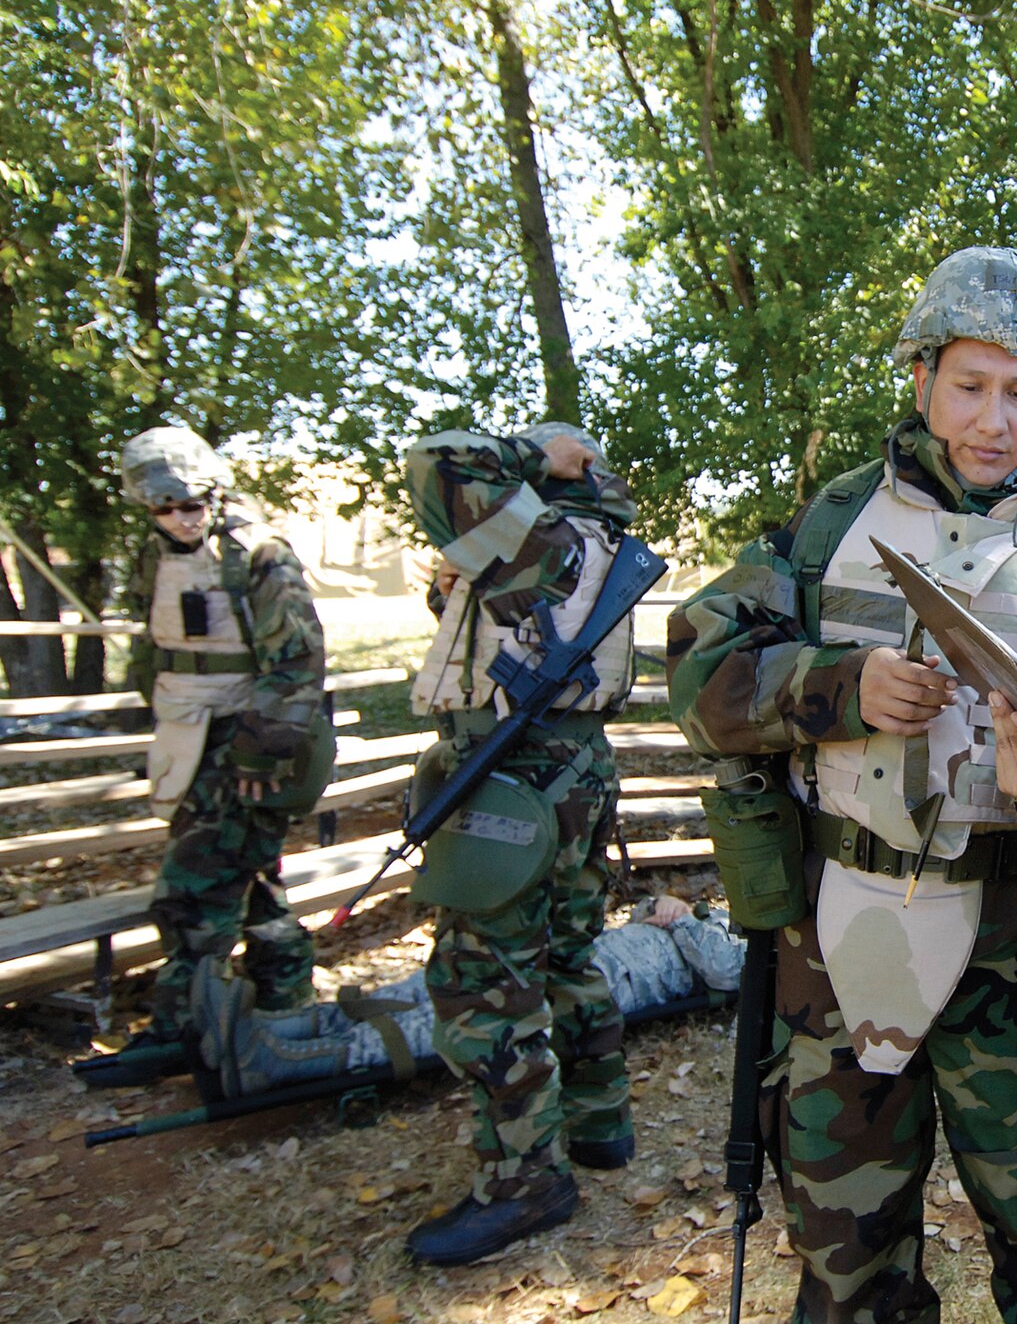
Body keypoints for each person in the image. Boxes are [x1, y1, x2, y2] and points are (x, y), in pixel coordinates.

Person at [666, 245, 1017, 1323]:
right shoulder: (825, 530)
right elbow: (697, 671)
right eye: (968, 385)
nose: (992, 420)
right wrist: (832, 684)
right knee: (844, 1253)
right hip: (837, 944)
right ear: (918, 380)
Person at [399, 421, 641, 1266]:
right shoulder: (593, 539)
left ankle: (523, 1179)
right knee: (567, 952)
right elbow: (506, 628)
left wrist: (533, 451)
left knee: (483, 976)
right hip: (575, 767)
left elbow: (432, 460)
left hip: (514, 775)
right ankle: (600, 1124)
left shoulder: (538, 524)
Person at [102, 425, 328, 1085]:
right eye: (163, 508)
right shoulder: (157, 554)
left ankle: (182, 1025)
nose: (180, 518)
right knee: (257, 883)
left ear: (214, 491)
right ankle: (284, 1006)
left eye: (191, 504)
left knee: (193, 889)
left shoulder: (258, 555)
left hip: (244, 742)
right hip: (186, 736)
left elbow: (297, 662)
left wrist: (261, 754)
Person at [190, 897, 744, 1096]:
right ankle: (278, 1028)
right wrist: (664, 905)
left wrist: (681, 921)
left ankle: (271, 1063)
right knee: (433, 985)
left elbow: (722, 971)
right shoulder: (728, 917)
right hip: (569, 958)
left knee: (449, 1022)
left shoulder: (761, 951)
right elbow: (658, 909)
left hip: (597, 987)